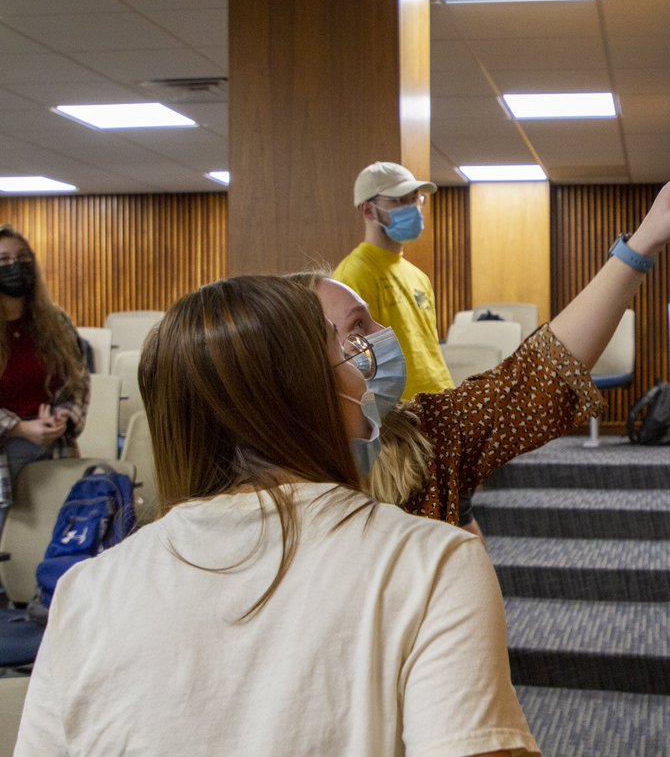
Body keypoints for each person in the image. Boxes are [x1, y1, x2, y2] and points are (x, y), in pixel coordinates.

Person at [15, 276, 537, 756]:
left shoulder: (84, 591)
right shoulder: (434, 564)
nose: (365, 377)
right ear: (306, 393)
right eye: (347, 354)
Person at [295, 143, 670, 533]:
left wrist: (642, 245)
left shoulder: (429, 438)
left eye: (414, 199)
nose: (383, 335)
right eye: (358, 329)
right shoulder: (287, 508)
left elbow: (540, 373)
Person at [333, 161, 453, 400]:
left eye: (415, 198)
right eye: (399, 200)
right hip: (398, 410)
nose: (413, 207)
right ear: (368, 210)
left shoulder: (418, 276)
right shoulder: (353, 275)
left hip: (440, 396)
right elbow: (352, 360)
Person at [0, 224, 89, 517]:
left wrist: (64, 417)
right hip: (5, 455)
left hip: (55, 448)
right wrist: (20, 428)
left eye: (23, 257)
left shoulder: (56, 321)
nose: (15, 266)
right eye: (4, 260)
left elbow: (79, 381)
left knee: (55, 544)